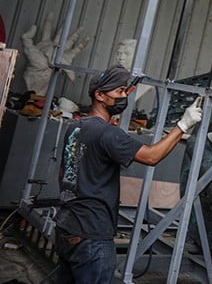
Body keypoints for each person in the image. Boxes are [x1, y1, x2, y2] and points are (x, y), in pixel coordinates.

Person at [53, 65, 204, 283]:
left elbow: (63, 175)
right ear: (99, 95)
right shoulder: (108, 134)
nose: (124, 97)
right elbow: (152, 157)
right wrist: (183, 125)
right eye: (120, 92)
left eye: (126, 91)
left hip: (67, 226)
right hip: (93, 235)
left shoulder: (75, 127)